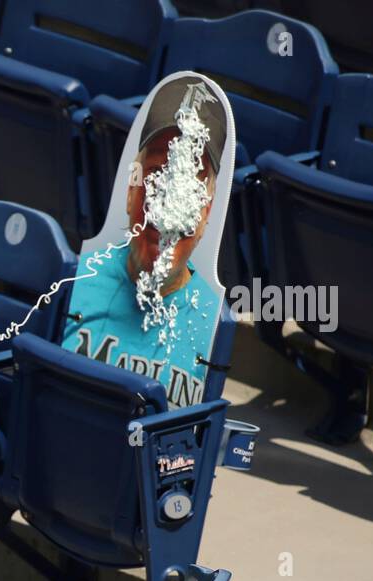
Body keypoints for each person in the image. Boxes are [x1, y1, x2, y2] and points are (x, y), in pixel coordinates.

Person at [62, 77, 227, 408]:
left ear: (206, 213)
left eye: (187, 187)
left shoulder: (213, 322)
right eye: (155, 176)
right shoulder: (73, 282)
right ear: (130, 190)